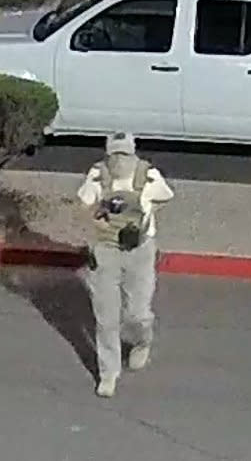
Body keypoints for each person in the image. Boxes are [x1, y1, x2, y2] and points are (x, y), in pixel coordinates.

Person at [77, 131, 174, 398]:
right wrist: (96, 212)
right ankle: (108, 373)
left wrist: (149, 210)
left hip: (140, 250)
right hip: (106, 250)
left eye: (125, 154)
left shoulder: (148, 175)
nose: (120, 160)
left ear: (133, 153)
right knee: (106, 318)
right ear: (108, 154)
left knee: (137, 313)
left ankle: (142, 342)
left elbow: (166, 196)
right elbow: (84, 203)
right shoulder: (98, 175)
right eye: (116, 154)